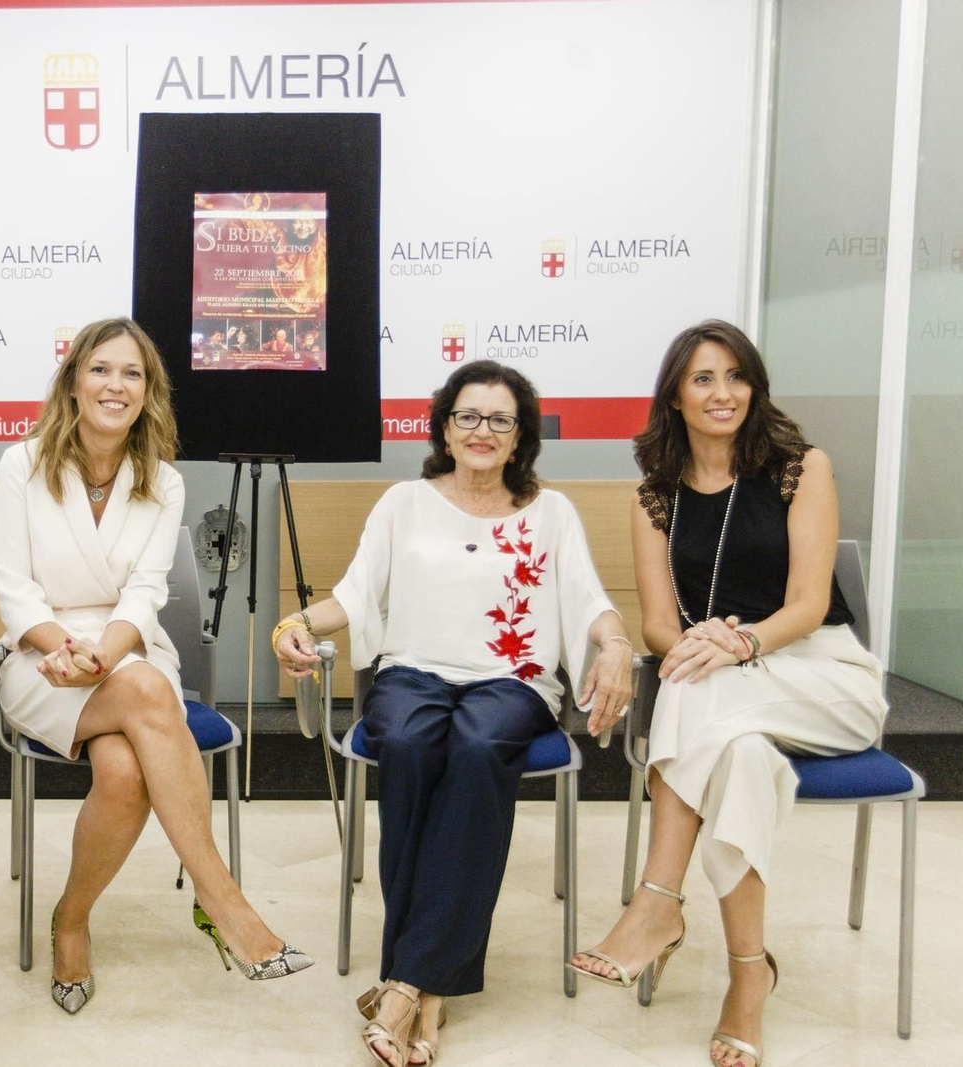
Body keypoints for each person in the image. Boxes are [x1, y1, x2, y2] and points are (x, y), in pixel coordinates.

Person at [275, 360, 634, 1067]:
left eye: (500, 419)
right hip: (412, 672)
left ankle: (405, 983)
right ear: (444, 425)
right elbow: (353, 593)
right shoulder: (405, 503)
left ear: (520, 434)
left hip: (514, 681)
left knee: (475, 748)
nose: (482, 430)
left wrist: (616, 642)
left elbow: (592, 601)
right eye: (468, 416)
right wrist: (297, 620)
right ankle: (429, 990)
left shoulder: (552, 512)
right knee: (406, 738)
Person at [568, 320, 887, 1067]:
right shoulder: (655, 495)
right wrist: (700, 645)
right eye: (703, 378)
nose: (723, 392)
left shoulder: (800, 468)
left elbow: (809, 603)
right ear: (675, 396)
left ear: (755, 387)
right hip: (729, 687)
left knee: (689, 683)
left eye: (736, 376)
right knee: (737, 752)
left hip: (822, 674)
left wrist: (736, 641)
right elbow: (655, 623)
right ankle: (750, 978)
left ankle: (656, 903)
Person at [0, 317, 312, 1015]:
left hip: (125, 645)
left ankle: (69, 920)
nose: (115, 384)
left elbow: (146, 589)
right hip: (40, 658)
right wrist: (64, 647)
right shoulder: (23, 462)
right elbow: (12, 586)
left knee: (127, 769)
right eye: (101, 369)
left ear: (148, 391)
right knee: (146, 694)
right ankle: (221, 899)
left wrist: (105, 649)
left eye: (132, 373)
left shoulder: (160, 479)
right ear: (73, 380)